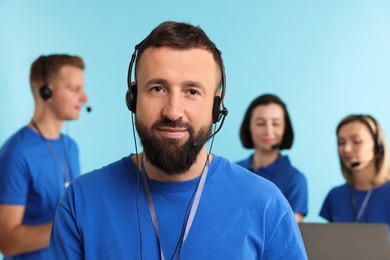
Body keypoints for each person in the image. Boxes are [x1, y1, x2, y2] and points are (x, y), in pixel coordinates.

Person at [49, 21, 307, 259]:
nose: (173, 111)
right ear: (133, 98)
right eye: (157, 89)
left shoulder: (266, 205)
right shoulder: (81, 201)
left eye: (192, 91)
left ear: (216, 106)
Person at [0, 54, 88, 259]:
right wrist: (70, 223)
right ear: (45, 91)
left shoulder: (70, 146)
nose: (85, 98)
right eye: (74, 89)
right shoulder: (16, 153)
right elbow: (7, 241)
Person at [236, 94, 308, 222]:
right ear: (249, 127)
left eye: (276, 124)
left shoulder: (295, 180)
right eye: (260, 123)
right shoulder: (234, 172)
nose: (268, 131)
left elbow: (289, 231)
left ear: (285, 128)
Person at [320, 114, 390, 224]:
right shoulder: (335, 196)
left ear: (377, 146)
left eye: (356, 141)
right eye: (341, 142)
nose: (346, 149)